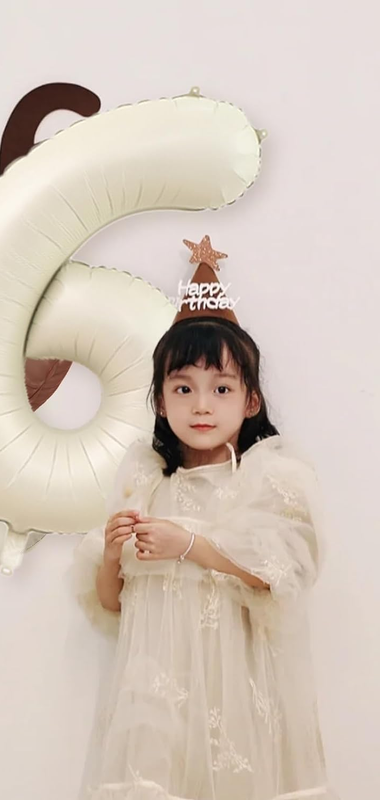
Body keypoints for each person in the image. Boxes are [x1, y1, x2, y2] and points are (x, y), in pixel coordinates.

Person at [69, 237, 339, 800]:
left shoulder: (265, 479)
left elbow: (277, 575)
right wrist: (113, 554)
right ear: (160, 402)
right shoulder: (147, 483)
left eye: (221, 389)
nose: (201, 405)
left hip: (235, 683)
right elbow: (114, 604)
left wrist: (190, 545)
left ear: (250, 401)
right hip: (157, 690)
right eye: (183, 388)